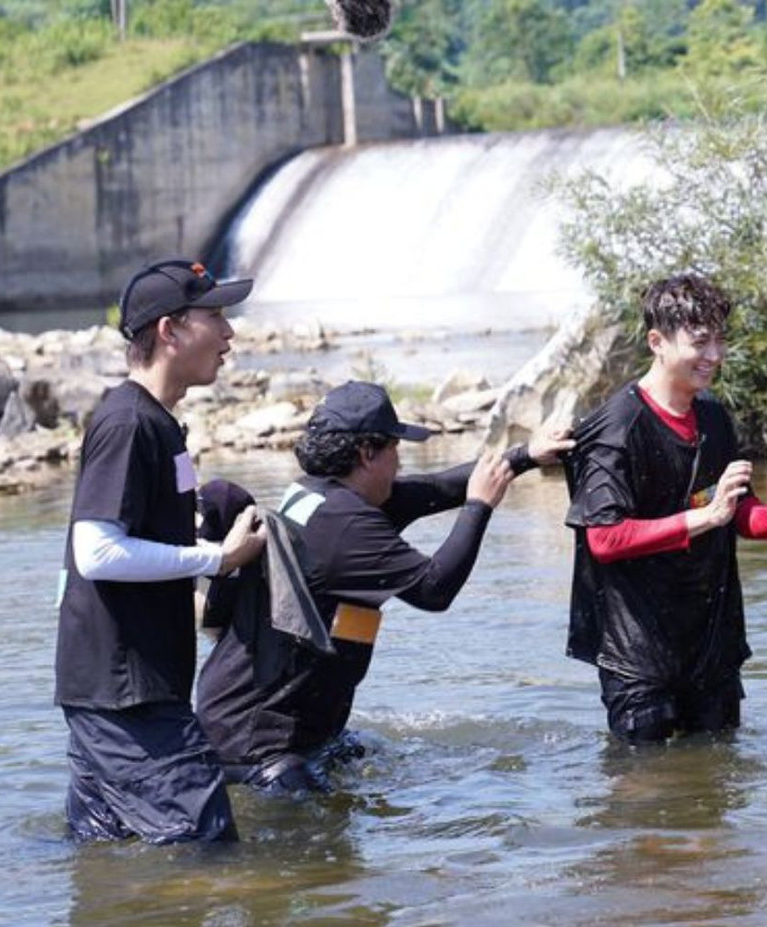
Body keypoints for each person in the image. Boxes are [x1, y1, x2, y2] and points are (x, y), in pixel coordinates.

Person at [195, 380, 574, 793]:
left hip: (264, 722)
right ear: (367, 453)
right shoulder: (347, 526)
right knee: (314, 851)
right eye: (395, 448)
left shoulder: (319, 496)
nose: (399, 461)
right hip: (256, 744)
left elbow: (437, 487)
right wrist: (479, 507)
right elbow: (433, 590)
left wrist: (526, 456)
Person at [55, 259, 267, 843]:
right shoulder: (128, 422)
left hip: (120, 685)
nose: (229, 335)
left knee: (107, 852)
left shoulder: (158, 423)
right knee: (208, 840)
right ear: (170, 331)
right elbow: (95, 551)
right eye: (216, 317)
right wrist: (217, 559)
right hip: (126, 693)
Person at [564, 273, 767, 744]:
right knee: (647, 796)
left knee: (716, 787)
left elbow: (734, 506)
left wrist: (766, 522)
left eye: (721, 341)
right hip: (636, 650)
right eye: (701, 342)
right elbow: (604, 538)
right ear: (656, 341)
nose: (715, 356)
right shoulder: (617, 427)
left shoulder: (714, 416)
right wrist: (707, 517)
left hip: (710, 642)